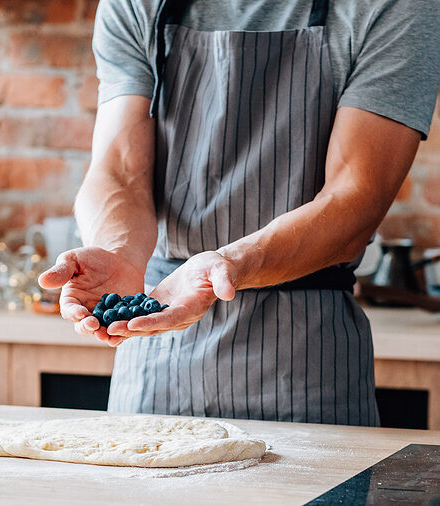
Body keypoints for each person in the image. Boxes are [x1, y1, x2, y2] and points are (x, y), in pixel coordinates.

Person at [39, 0, 440, 425]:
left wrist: (229, 265)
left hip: (308, 368)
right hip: (154, 352)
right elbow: (117, 168)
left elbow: (355, 199)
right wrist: (119, 251)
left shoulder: (396, 5)